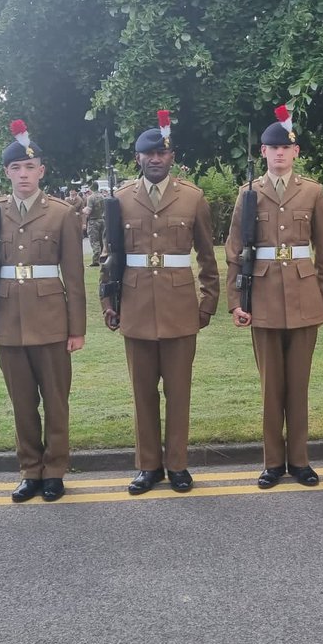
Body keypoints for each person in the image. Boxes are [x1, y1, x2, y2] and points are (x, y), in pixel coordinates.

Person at [101, 111, 219, 495]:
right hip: (135, 305)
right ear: (138, 158)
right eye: (148, 154)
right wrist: (108, 300)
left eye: (162, 154)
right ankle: (148, 466)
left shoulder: (193, 197)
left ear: (172, 157)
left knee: (179, 391)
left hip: (180, 306)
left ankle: (178, 464)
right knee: (143, 391)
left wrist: (208, 302)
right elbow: (110, 256)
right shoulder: (120, 200)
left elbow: (206, 254)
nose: (155, 159)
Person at [0, 121, 86, 502]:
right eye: (16, 168)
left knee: (55, 400)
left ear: (42, 171)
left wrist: (76, 327)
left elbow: (74, 274)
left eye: (30, 168)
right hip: (8, 320)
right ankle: (29, 469)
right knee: (22, 402)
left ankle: (54, 470)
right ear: (7, 173)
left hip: (51, 319)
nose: (23, 174)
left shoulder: (62, 213)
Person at [225, 106, 323, 489]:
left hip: (304, 297)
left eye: (286, 148)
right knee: (271, 386)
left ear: (296, 152)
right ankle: (273, 462)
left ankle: (300, 461)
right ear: (264, 153)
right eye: (272, 148)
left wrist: (322, 296)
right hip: (264, 297)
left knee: (299, 384)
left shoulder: (313, 192)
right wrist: (237, 299)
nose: (280, 154)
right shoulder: (248, 195)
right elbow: (234, 250)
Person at [85, 187, 106, 263]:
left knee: (94, 240)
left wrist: (83, 210)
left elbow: (88, 211)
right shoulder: (102, 196)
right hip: (102, 220)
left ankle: (96, 260)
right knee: (102, 240)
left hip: (93, 221)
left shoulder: (91, 198)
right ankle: (103, 257)